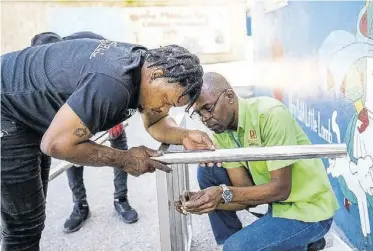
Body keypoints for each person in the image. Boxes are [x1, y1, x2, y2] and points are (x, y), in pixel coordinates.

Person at [1, 32, 215, 250]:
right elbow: (55, 144)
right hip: (7, 112)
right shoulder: (114, 84)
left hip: (28, 116)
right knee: (23, 227)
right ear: (156, 74)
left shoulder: (144, 66)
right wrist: (125, 159)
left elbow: (156, 123)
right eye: (167, 101)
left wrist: (184, 135)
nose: (164, 109)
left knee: (30, 213)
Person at [179, 72, 339, 251]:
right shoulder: (223, 132)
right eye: (198, 113)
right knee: (209, 171)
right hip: (275, 206)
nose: (205, 118)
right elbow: (246, 196)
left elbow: (281, 190)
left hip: (308, 211)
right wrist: (205, 201)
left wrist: (221, 194)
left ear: (230, 96)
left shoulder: (271, 114)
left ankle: (307, 238)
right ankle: (240, 240)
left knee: (236, 249)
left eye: (208, 108)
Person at [30, 31, 139, 233]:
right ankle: (80, 206)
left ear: (63, 45)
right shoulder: (40, 68)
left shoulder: (89, 42)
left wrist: (115, 117)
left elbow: (118, 71)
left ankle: (121, 199)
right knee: (71, 156)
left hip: (104, 107)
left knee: (121, 152)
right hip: (73, 114)